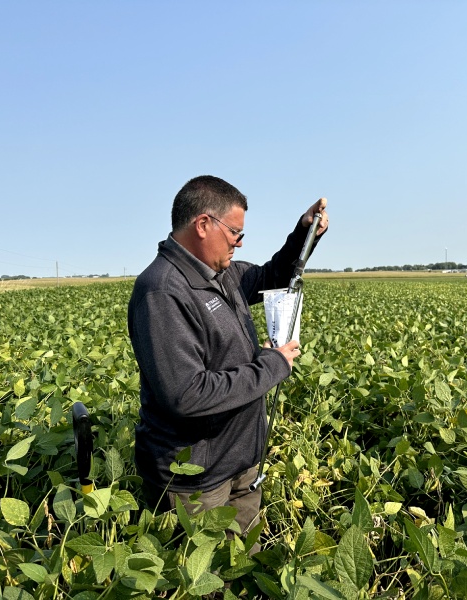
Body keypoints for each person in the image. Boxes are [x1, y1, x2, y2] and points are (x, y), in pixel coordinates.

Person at [127, 175, 329, 539]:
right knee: (205, 585)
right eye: (235, 232)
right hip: (196, 481)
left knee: (242, 571)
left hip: (239, 462)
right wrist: (272, 365)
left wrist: (304, 234)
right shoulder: (162, 291)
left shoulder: (223, 274)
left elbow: (274, 276)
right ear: (203, 224)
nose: (238, 242)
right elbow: (187, 394)